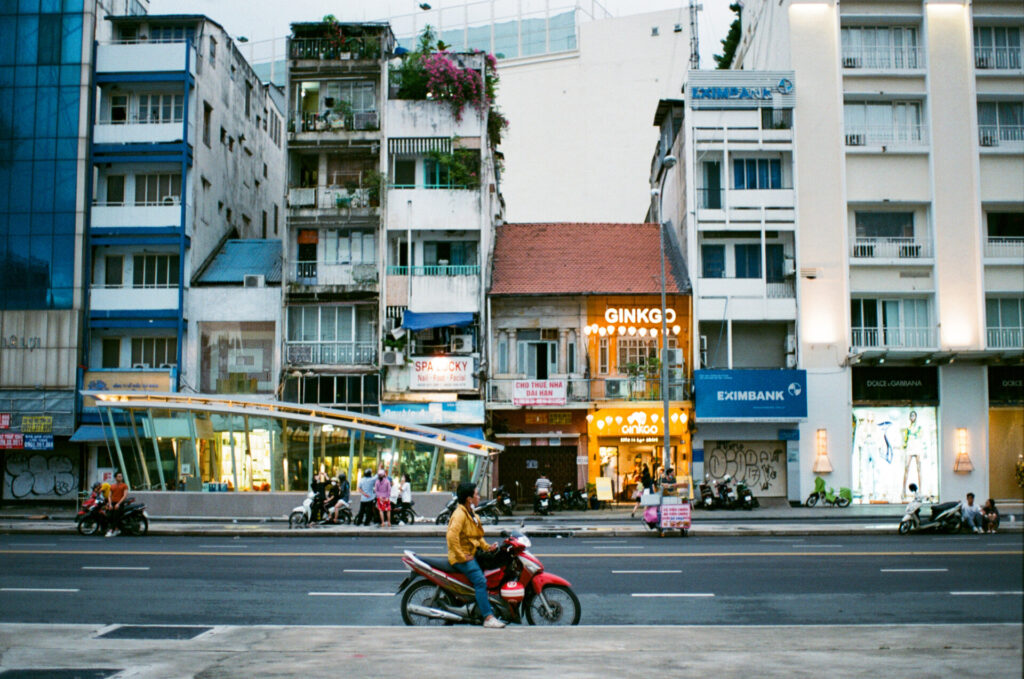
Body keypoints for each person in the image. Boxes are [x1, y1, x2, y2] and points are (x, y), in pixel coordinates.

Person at [446, 482, 505, 629]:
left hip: (471, 553)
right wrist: (461, 556)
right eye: (477, 494)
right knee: (480, 581)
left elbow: (477, 537)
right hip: (461, 557)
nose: (479, 496)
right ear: (469, 498)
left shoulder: (471, 513)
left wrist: (487, 547)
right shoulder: (459, 514)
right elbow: (451, 537)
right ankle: (488, 617)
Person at [105, 471, 128, 537]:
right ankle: (116, 529)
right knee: (109, 515)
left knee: (115, 515)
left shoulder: (124, 486)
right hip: (112, 503)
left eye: (121, 476)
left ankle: (111, 530)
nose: (120, 478)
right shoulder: (112, 486)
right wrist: (110, 504)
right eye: (119, 476)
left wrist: (118, 504)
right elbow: (109, 496)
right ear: (115, 478)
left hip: (120, 503)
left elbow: (125, 496)